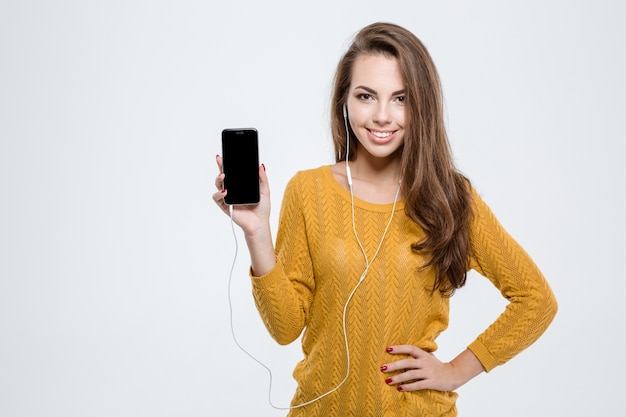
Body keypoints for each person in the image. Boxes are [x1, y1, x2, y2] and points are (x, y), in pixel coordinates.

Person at [213, 22, 557, 417]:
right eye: (366, 96)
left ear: (421, 105)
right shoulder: (309, 192)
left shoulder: (449, 198)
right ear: (345, 100)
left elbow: (536, 300)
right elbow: (286, 328)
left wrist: (455, 371)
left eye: (400, 99)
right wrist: (257, 233)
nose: (381, 116)